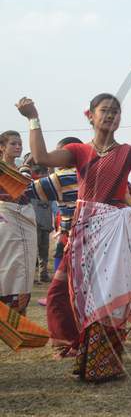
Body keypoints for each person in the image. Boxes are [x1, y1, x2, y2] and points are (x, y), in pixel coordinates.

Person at [16, 93, 131, 381]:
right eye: (105, 111)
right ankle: (75, 347)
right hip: (85, 229)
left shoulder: (127, 152)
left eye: (116, 112)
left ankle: (101, 363)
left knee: (105, 297)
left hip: (113, 230)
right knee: (60, 292)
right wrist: (33, 118)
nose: (111, 115)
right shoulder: (78, 151)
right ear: (90, 115)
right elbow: (41, 158)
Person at [30, 136, 81, 355]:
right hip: (97, 240)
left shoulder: (62, 176)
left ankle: (68, 342)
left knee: (58, 296)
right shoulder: (90, 173)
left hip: (77, 241)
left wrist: (27, 165)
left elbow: (22, 191)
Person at [0, 131, 37, 316]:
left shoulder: (23, 171)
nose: (18, 146)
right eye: (13, 143)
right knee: (6, 266)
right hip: (5, 225)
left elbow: (29, 193)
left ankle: (19, 317)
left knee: (24, 267)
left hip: (25, 224)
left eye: (20, 143)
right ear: (2, 147)